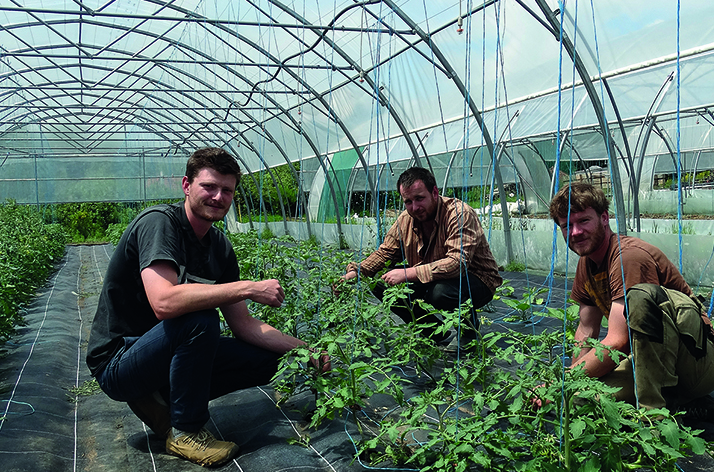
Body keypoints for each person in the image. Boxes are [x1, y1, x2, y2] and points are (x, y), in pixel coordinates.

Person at [86, 147, 327, 467]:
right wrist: (248, 287)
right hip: (120, 361)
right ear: (186, 185)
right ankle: (185, 430)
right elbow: (164, 302)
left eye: (226, 190)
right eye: (209, 186)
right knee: (199, 318)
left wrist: (306, 351)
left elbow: (244, 325)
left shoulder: (220, 249)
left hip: (161, 353)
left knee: (270, 360)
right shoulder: (160, 224)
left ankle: (164, 398)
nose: (218, 196)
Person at [546, 182, 714, 420]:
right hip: (653, 359)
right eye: (567, 226)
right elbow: (586, 330)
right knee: (575, 397)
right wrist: (568, 382)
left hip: (695, 364)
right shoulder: (587, 262)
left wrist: (564, 383)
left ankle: (664, 410)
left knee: (583, 398)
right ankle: (675, 399)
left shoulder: (629, 258)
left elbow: (619, 341)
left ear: (604, 218)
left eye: (584, 221)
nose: (575, 232)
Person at [340, 167, 502, 345]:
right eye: (408, 201)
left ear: (434, 192)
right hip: (432, 278)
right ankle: (436, 332)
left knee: (441, 293)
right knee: (381, 283)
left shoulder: (458, 213)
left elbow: (457, 263)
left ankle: (468, 335)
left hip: (477, 280)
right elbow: (386, 252)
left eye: (419, 198)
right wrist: (356, 273)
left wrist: (407, 273)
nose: (414, 207)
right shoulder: (405, 220)